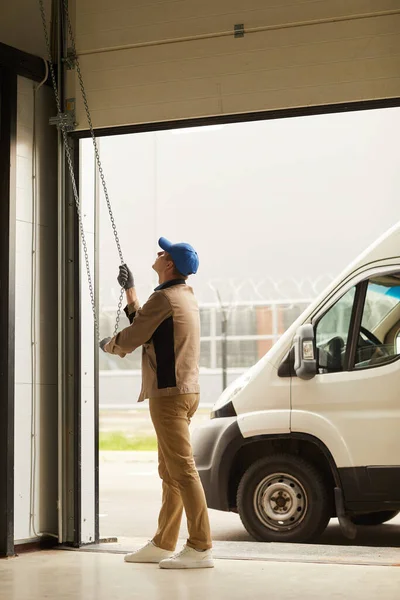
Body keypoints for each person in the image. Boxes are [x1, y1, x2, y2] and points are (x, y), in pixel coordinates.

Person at [100, 237, 213, 569]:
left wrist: (109, 345)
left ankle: (200, 546)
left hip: (169, 396)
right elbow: (149, 325)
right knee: (170, 471)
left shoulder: (164, 298)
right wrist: (131, 291)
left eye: (163, 252)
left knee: (183, 471)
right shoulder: (184, 296)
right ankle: (164, 542)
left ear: (169, 265)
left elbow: (134, 337)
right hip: (186, 392)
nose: (158, 253)